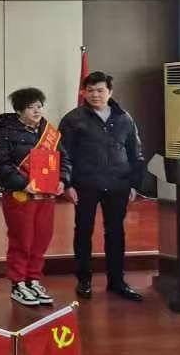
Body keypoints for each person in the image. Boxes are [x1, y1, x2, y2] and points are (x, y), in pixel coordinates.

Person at [59, 71, 145, 302]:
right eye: (90, 90)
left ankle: (117, 282)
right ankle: (84, 280)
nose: (95, 95)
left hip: (118, 184)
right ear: (83, 92)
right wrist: (67, 184)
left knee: (116, 232)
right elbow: (63, 154)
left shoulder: (124, 118)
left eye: (100, 90)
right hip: (85, 184)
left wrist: (134, 185)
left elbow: (135, 153)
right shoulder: (73, 119)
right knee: (83, 231)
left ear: (110, 92)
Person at [0, 88, 71, 307]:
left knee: (42, 237)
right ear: (19, 110)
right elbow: (0, 164)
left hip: (46, 195)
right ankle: (18, 283)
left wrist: (63, 180)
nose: (36, 111)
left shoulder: (49, 133)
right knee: (22, 239)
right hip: (20, 196)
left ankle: (33, 279)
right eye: (30, 107)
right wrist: (23, 183)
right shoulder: (4, 134)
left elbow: (64, 159)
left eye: (39, 106)